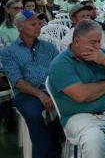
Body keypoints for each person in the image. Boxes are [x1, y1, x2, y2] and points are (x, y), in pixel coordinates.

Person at [48, 20, 105, 158]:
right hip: (80, 116)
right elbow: (82, 95)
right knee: (93, 140)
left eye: (99, 41)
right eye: (93, 42)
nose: (98, 46)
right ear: (77, 41)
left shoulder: (103, 55)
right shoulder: (60, 64)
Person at [1, 10, 62, 158]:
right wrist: (41, 94)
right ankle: (47, 154)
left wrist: (54, 91)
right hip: (27, 93)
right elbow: (18, 82)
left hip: (52, 89)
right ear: (20, 27)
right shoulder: (9, 52)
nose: (38, 26)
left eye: (39, 23)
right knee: (33, 114)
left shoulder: (49, 47)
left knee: (77, 102)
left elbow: (61, 70)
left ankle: (51, 133)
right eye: (33, 24)